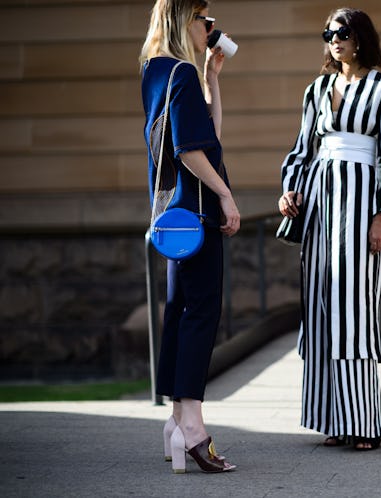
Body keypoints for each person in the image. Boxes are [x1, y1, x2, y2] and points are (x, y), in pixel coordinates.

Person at [278, 7, 381, 451]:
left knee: (352, 309)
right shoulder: (315, 90)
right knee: (320, 306)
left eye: (343, 32)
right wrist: (290, 190)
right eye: (329, 33)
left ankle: (365, 423)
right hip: (318, 209)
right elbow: (303, 149)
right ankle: (333, 419)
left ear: (360, 39)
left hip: (359, 209)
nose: (334, 39)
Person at [139, 0, 239, 473]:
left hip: (173, 216)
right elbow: (191, 151)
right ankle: (194, 428)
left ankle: (176, 423)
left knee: (179, 312)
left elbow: (209, 137)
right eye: (205, 19)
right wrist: (226, 196)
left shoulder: (157, 70)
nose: (211, 28)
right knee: (201, 313)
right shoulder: (178, 73)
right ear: (185, 20)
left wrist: (212, 77)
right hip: (198, 214)